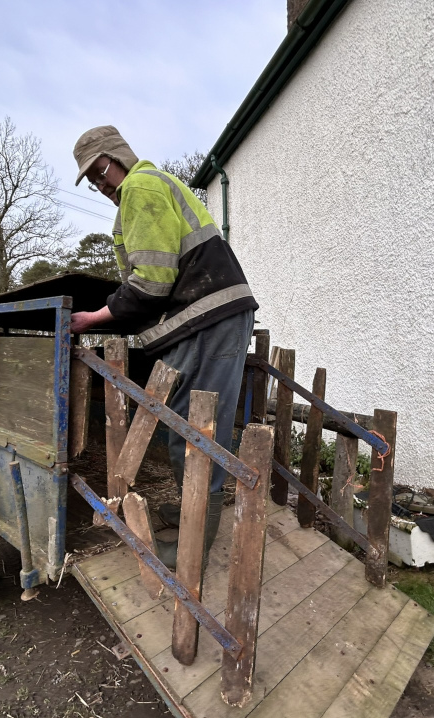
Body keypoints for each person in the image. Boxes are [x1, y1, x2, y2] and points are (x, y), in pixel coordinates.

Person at [70, 125, 258, 569]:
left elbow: (152, 285)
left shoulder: (141, 187)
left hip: (208, 320)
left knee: (194, 433)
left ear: (118, 157)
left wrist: (95, 318)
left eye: (100, 171)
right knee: (185, 429)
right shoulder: (153, 187)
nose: (100, 185)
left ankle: (195, 540)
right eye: (93, 180)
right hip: (205, 320)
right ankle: (192, 508)